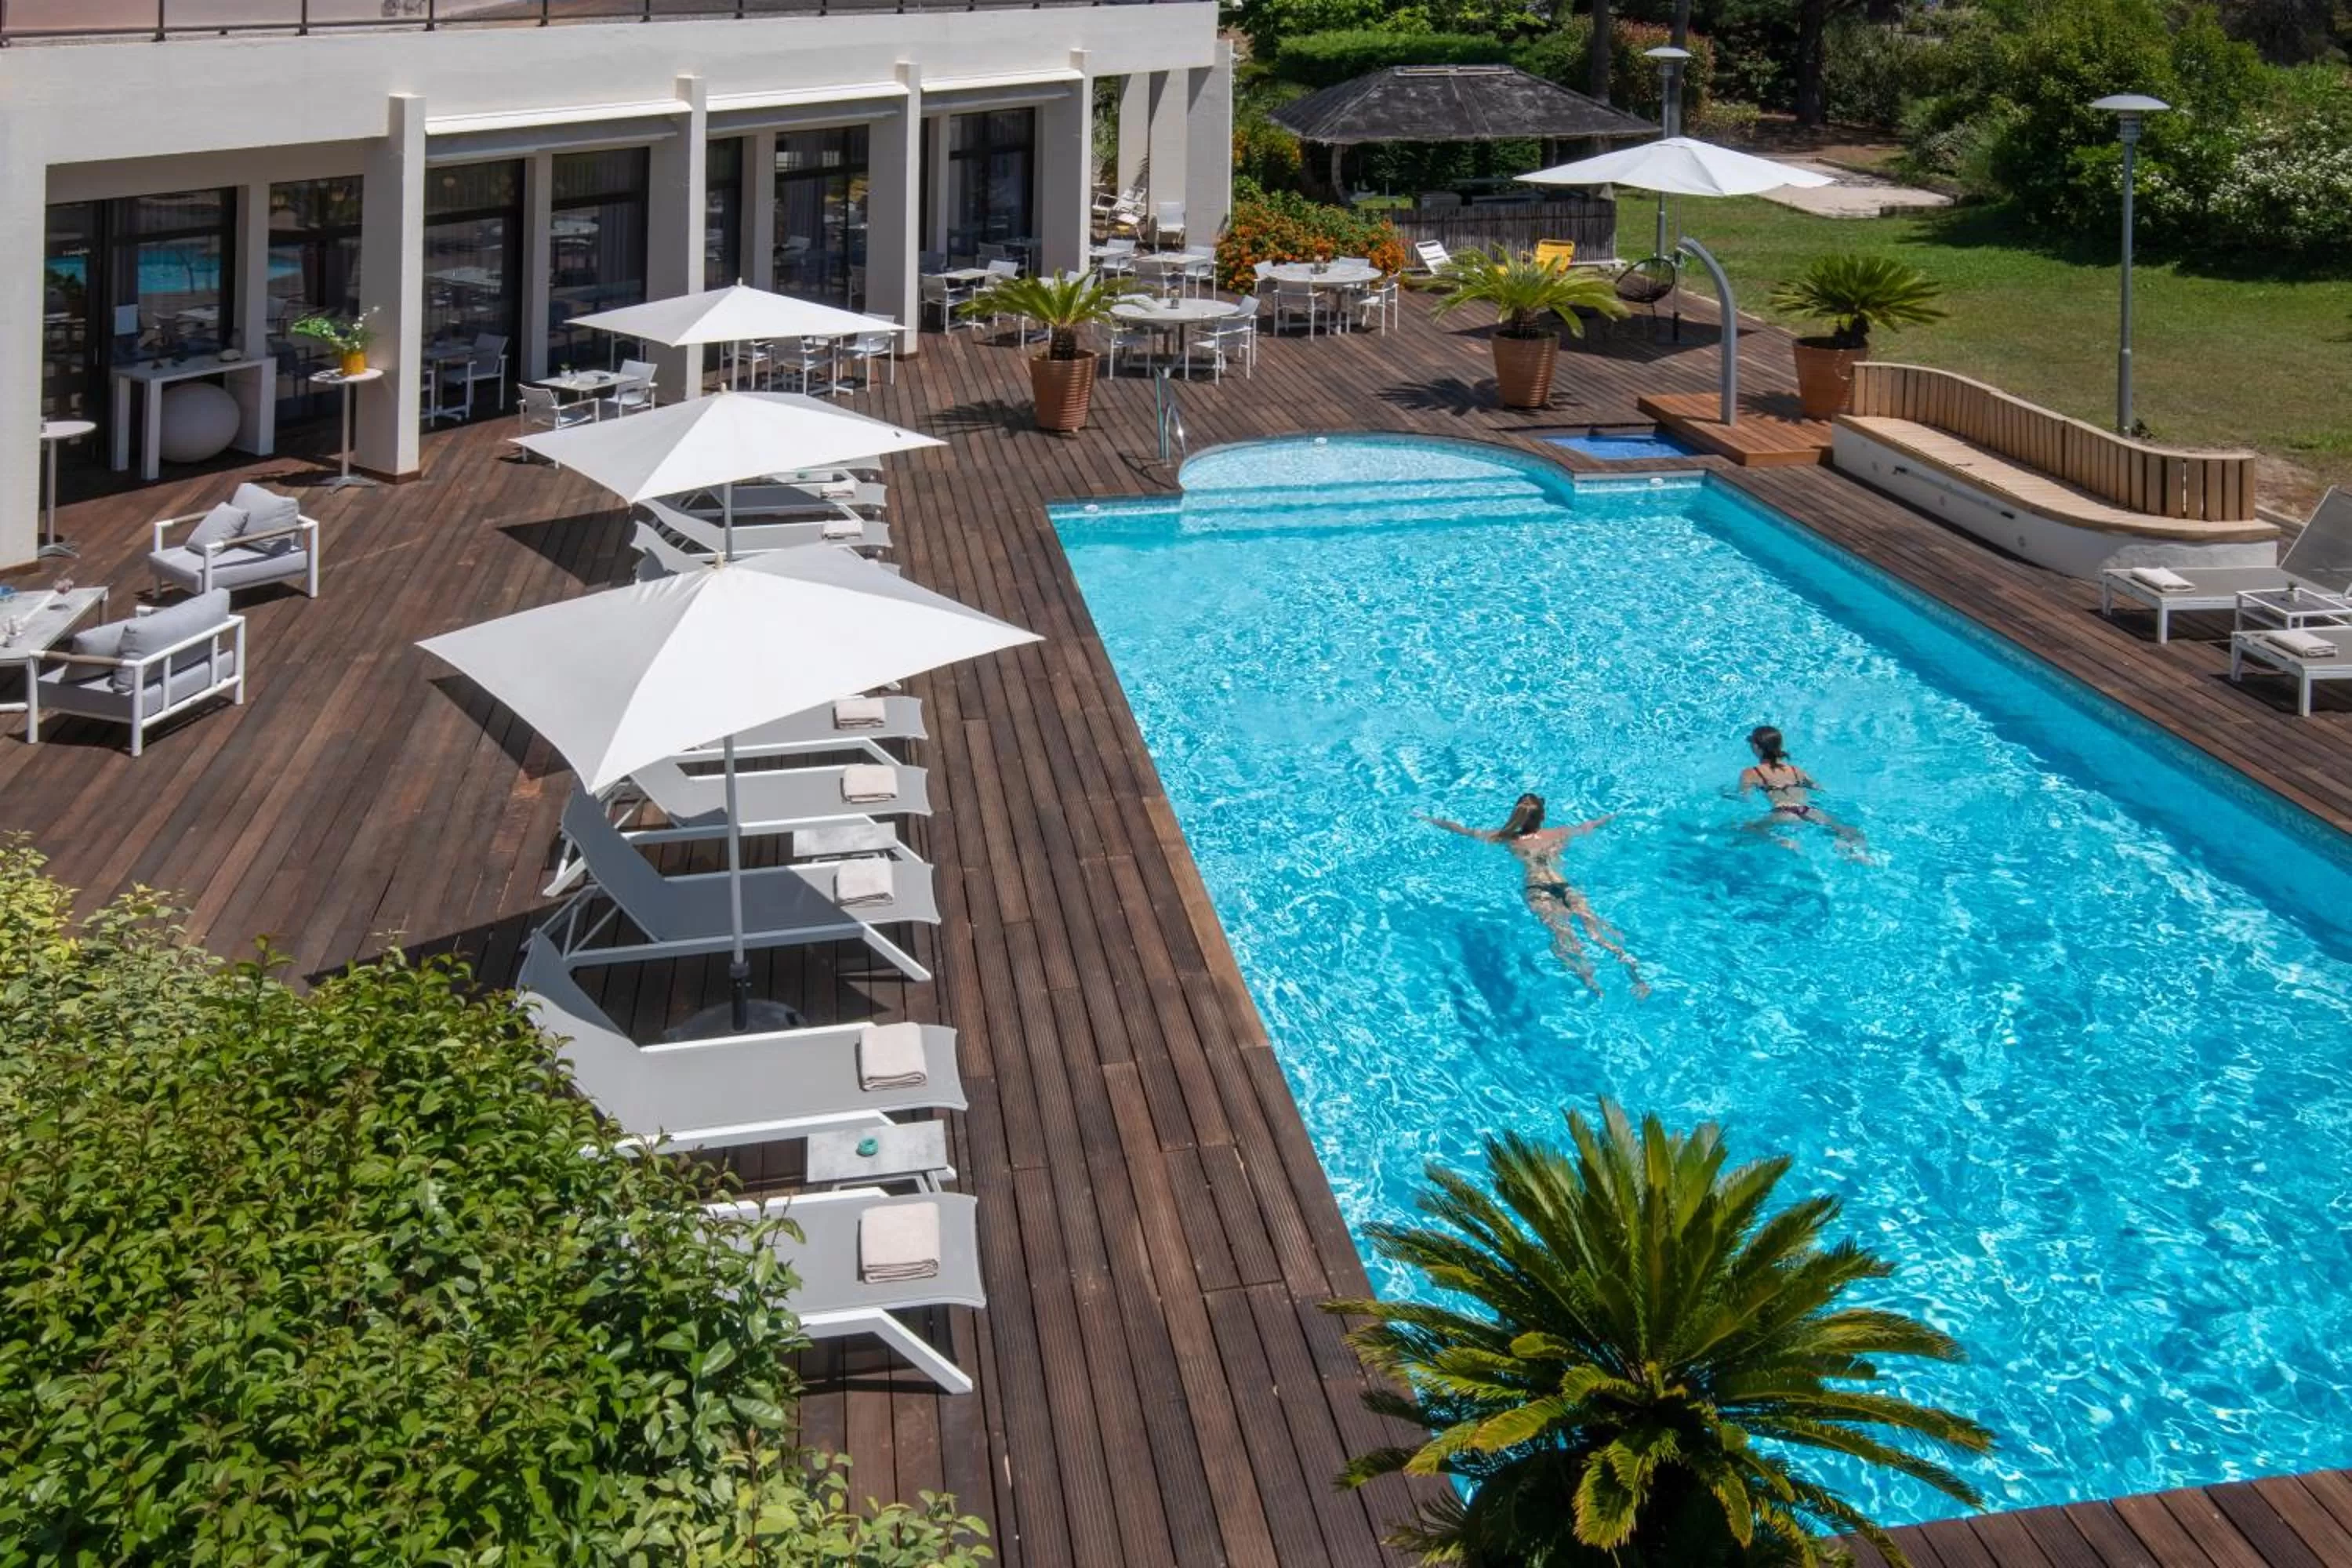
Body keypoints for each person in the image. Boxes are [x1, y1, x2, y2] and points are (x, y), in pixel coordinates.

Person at [1421, 793, 1648, 996]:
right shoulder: (1560, 833)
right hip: (1565, 886)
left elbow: (1463, 830)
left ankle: (1592, 983)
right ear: (1542, 816)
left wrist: (1429, 819)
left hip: (1537, 891)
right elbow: (1590, 825)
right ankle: (1636, 976)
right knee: (1597, 930)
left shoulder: (1506, 837)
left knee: (1564, 938)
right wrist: (1614, 814)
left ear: (1517, 816)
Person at [1737, 726, 1867, 857]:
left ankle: (1781, 841)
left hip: (1784, 813)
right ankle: (1856, 853)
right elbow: (1820, 790)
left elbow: (1744, 798)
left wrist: (1728, 794)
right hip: (1809, 812)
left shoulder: (1750, 773)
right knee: (1849, 831)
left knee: (1746, 828)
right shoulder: (1796, 770)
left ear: (1757, 747)